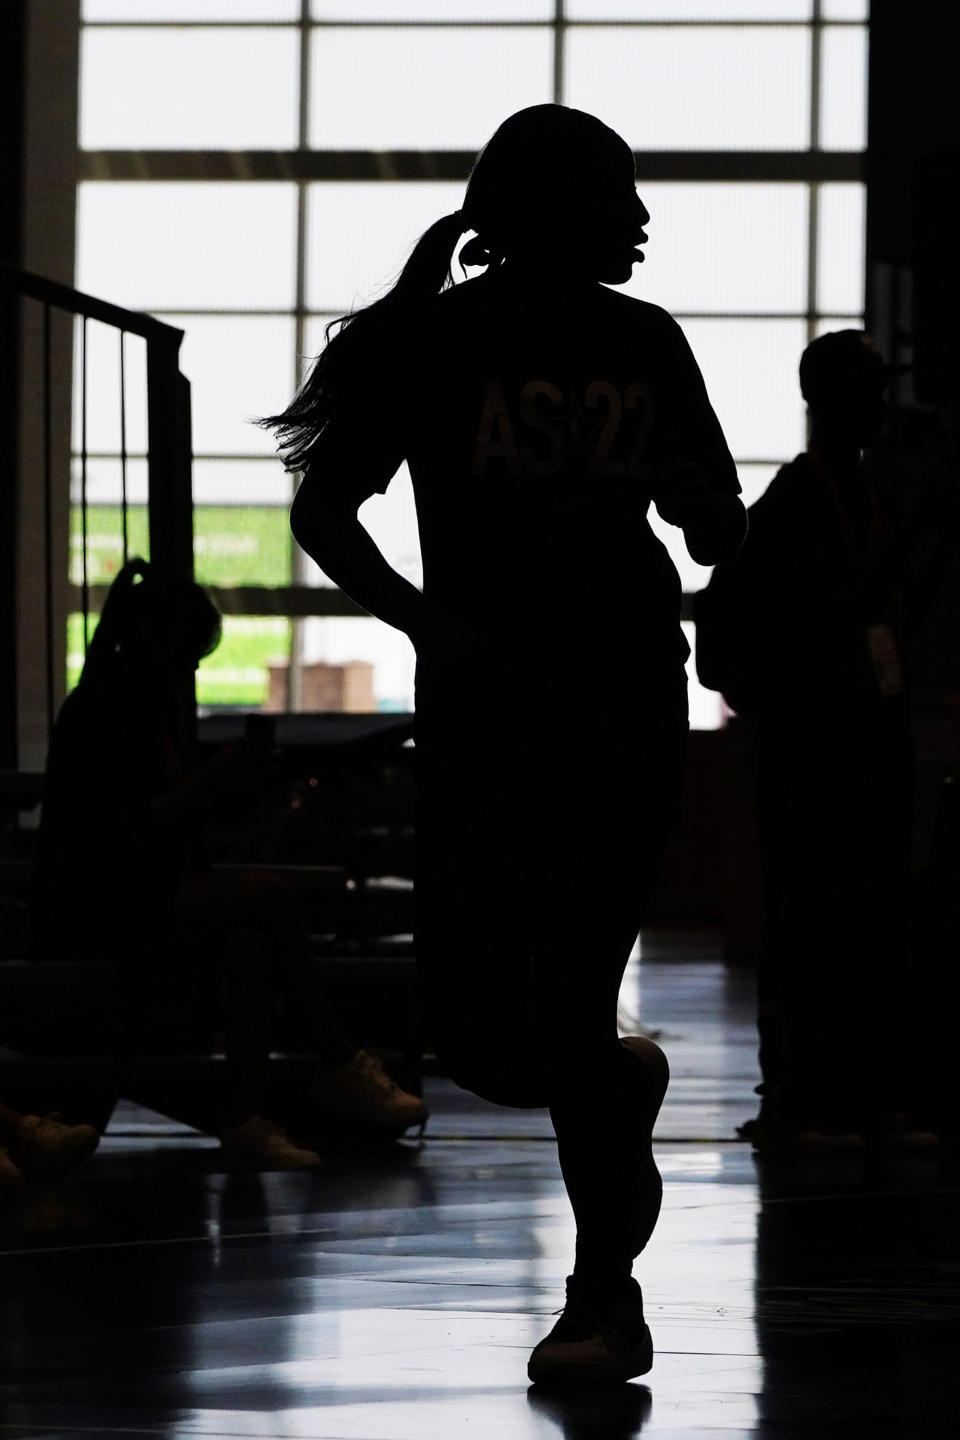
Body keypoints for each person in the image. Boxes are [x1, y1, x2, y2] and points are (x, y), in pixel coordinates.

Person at [262, 104, 746, 1384]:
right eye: (623, 195)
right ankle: (605, 1103)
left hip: (604, 705)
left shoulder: (630, 341)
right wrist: (429, 621)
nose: (644, 219)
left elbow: (702, 509)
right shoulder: (457, 342)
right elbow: (327, 505)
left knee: (566, 1010)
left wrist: (427, 621)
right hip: (509, 709)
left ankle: (604, 1297)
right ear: (562, 207)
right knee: (480, 1035)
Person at [30, 560, 428, 1170]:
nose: (190, 668)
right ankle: (335, 1060)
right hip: (102, 902)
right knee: (266, 902)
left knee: (251, 944)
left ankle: (247, 1119)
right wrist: (209, 787)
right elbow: (125, 829)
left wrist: (219, 793)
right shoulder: (106, 713)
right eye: (186, 652)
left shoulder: (133, 707)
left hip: (134, 895)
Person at [697, 330, 941, 1149]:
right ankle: (798, 1100)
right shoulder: (795, 508)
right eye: (865, 392)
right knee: (809, 924)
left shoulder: (873, 499)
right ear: (826, 402)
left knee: (874, 923)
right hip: (811, 756)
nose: (879, 408)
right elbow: (818, 620)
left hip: (873, 748)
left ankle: (862, 1098)